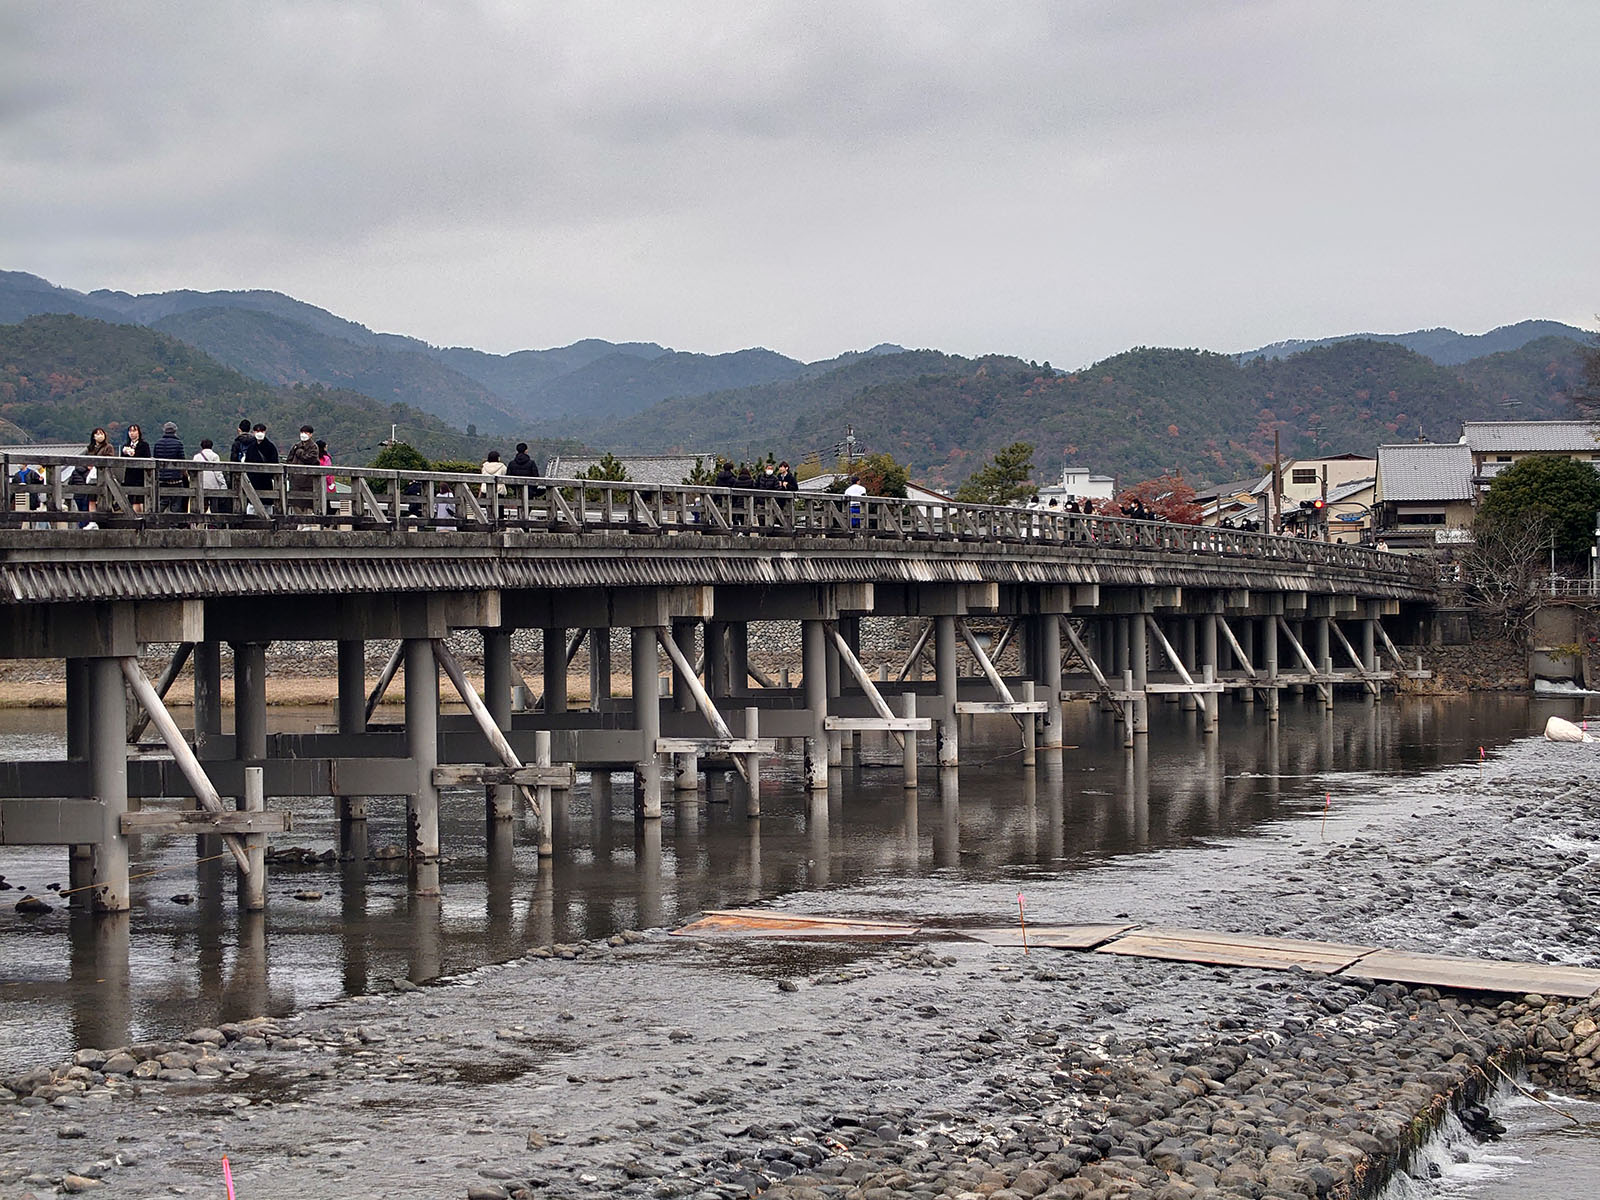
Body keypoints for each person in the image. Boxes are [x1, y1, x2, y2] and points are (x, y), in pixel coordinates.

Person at [72, 427, 114, 523]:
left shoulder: (108, 447)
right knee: (91, 499)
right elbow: (80, 460)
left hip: (102, 476)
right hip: (90, 477)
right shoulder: (89, 448)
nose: (99, 435)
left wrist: (95, 464)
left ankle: (101, 521)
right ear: (93, 436)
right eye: (97, 433)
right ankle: (92, 521)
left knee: (102, 499)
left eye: (101, 433)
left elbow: (110, 460)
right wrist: (87, 466)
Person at [283, 424, 321, 518]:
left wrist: (301, 454)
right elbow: (289, 459)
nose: (303, 434)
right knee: (295, 503)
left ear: (311, 434)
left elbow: (312, 460)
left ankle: (307, 523)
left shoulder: (313, 447)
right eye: (302, 432)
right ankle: (300, 522)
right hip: (295, 480)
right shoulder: (296, 446)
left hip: (308, 481)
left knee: (308, 503)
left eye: (306, 432)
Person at [152, 421, 187, 513]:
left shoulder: (157, 443)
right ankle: (173, 523)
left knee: (163, 500)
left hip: (161, 477)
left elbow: (155, 459)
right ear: (175, 431)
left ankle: (156, 520)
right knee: (176, 501)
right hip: (175, 478)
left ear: (164, 431)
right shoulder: (178, 444)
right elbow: (182, 461)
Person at [121, 424, 152, 512]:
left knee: (140, 499)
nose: (132, 433)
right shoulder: (126, 446)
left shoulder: (144, 445)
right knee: (131, 498)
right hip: (129, 475)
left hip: (140, 475)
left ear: (139, 432)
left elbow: (147, 458)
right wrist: (125, 452)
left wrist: (134, 453)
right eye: (130, 431)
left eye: (134, 431)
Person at [192, 438, 223, 516]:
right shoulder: (215, 456)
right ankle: (214, 524)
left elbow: (192, 472)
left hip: (200, 483)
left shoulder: (197, 457)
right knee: (214, 505)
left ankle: (197, 522)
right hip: (213, 484)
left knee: (201, 505)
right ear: (211, 446)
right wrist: (223, 484)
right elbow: (218, 472)